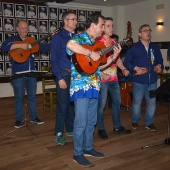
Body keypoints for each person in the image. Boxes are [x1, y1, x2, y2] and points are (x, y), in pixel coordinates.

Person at [66, 13, 121, 167]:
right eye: (102, 25)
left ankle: (88, 147)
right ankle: (77, 153)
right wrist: (90, 53)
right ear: (93, 25)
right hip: (81, 86)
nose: (103, 29)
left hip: (95, 85)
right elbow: (70, 46)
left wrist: (114, 57)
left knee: (92, 121)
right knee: (81, 121)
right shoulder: (79, 38)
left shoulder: (99, 45)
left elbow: (99, 65)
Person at [1, 19, 51, 128]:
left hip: (31, 74)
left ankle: (34, 117)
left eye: (27, 28)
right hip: (18, 74)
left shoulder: (32, 40)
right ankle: (19, 119)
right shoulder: (13, 39)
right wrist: (20, 46)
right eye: (23, 28)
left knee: (32, 97)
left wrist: (55, 40)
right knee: (19, 97)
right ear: (17, 29)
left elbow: (45, 47)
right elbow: (3, 46)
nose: (25, 30)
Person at [97, 17, 132, 140]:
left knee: (117, 103)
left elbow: (117, 60)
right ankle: (101, 129)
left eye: (112, 26)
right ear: (102, 27)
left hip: (114, 78)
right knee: (101, 105)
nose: (111, 28)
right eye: (108, 26)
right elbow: (95, 63)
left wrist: (123, 68)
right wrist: (102, 74)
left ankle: (117, 127)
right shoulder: (98, 42)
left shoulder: (113, 42)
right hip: (103, 79)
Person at [124, 24, 163, 131]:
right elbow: (127, 62)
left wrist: (159, 66)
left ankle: (149, 123)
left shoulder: (154, 47)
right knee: (137, 102)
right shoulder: (134, 47)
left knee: (151, 103)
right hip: (139, 81)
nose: (148, 32)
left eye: (149, 30)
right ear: (140, 34)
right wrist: (135, 68)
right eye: (145, 30)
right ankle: (135, 122)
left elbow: (160, 61)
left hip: (152, 81)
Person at [50, 11, 77, 145]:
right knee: (62, 105)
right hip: (64, 74)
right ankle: (58, 133)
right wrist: (59, 78)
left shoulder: (77, 37)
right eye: (73, 19)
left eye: (76, 20)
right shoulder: (58, 37)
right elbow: (53, 60)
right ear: (66, 21)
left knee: (72, 104)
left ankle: (70, 129)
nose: (76, 22)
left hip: (75, 75)